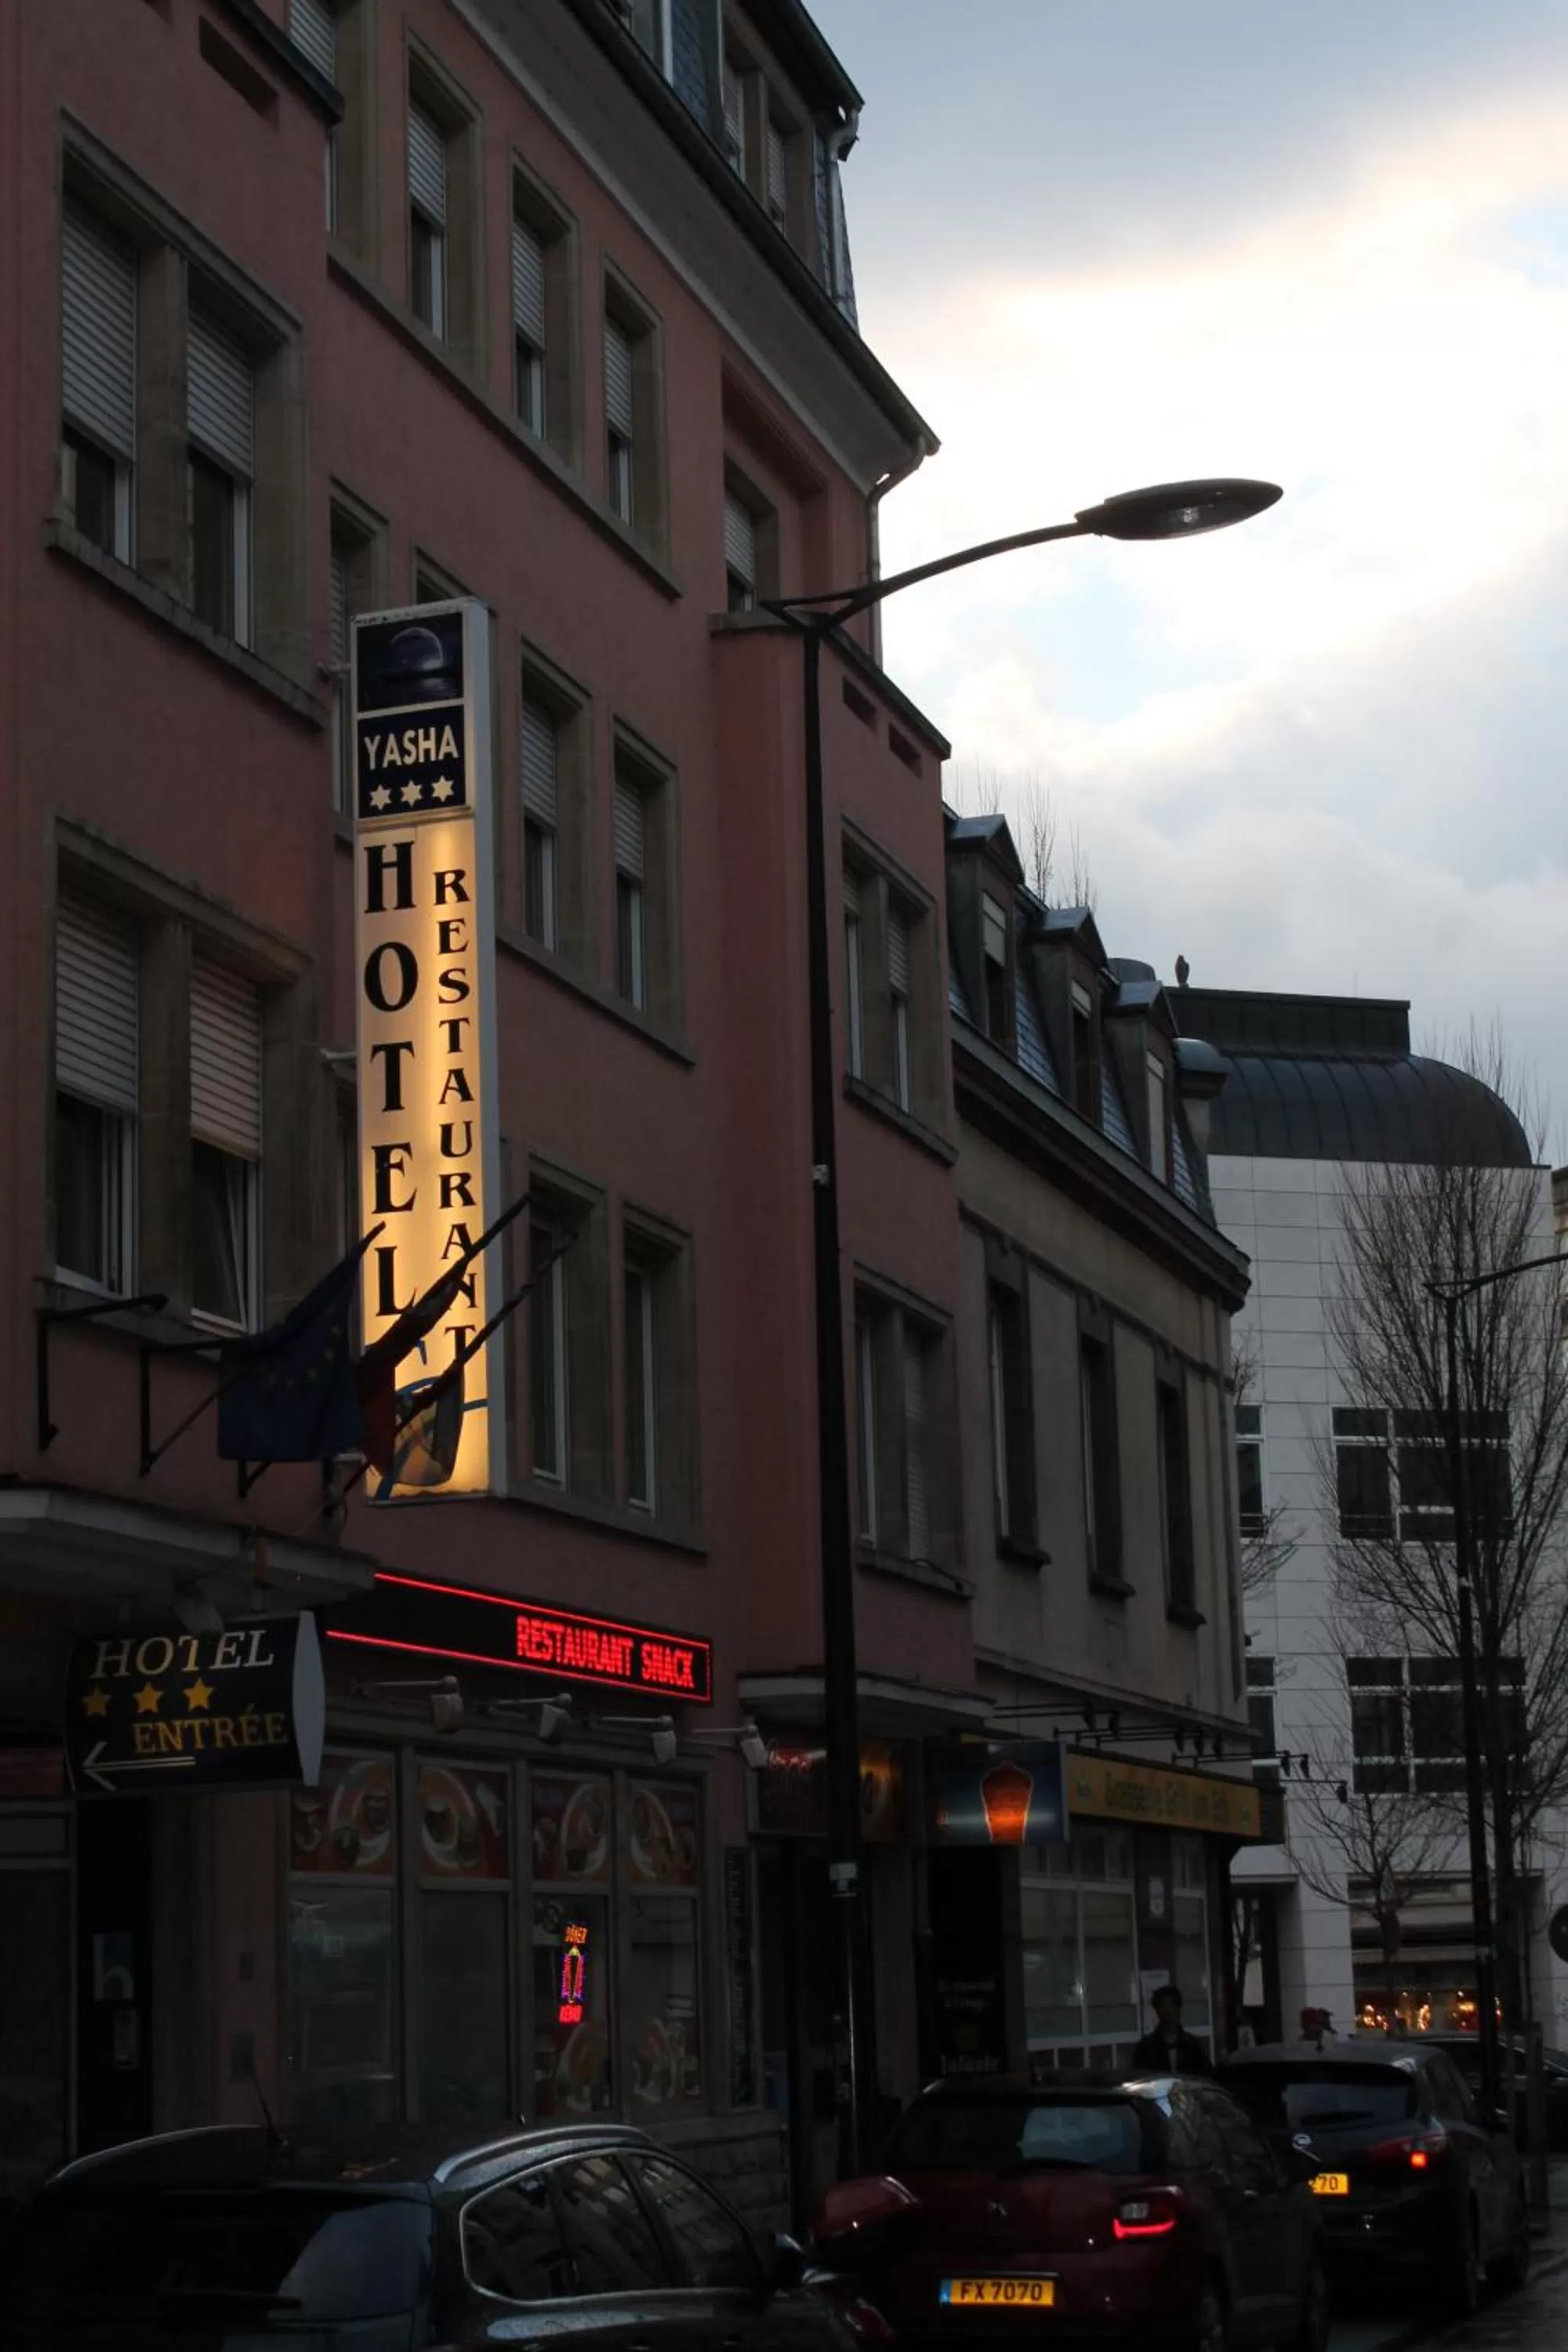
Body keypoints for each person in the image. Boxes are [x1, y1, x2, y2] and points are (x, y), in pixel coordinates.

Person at [1131, 1985, 1213, 2076]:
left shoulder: (1192, 2045)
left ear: (1179, 2008)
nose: (1168, 2010)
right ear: (1157, 2010)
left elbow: (1206, 2075)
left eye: (1172, 2005)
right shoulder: (1146, 2047)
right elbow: (1138, 2077)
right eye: (1164, 2005)